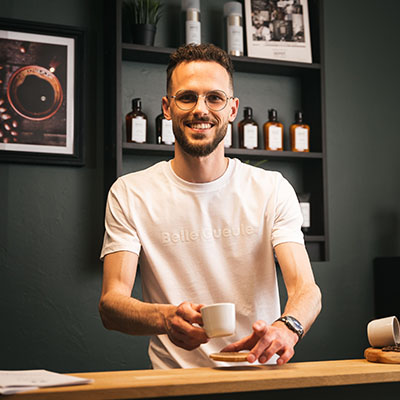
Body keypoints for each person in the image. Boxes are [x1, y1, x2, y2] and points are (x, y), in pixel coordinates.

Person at [99, 43, 321, 369]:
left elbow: (307, 289)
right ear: (167, 107)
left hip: (260, 379)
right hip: (174, 386)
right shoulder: (130, 192)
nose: (200, 109)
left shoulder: (271, 189)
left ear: (232, 110)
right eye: (187, 97)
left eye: (214, 98)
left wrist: (287, 328)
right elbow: (111, 304)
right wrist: (164, 317)